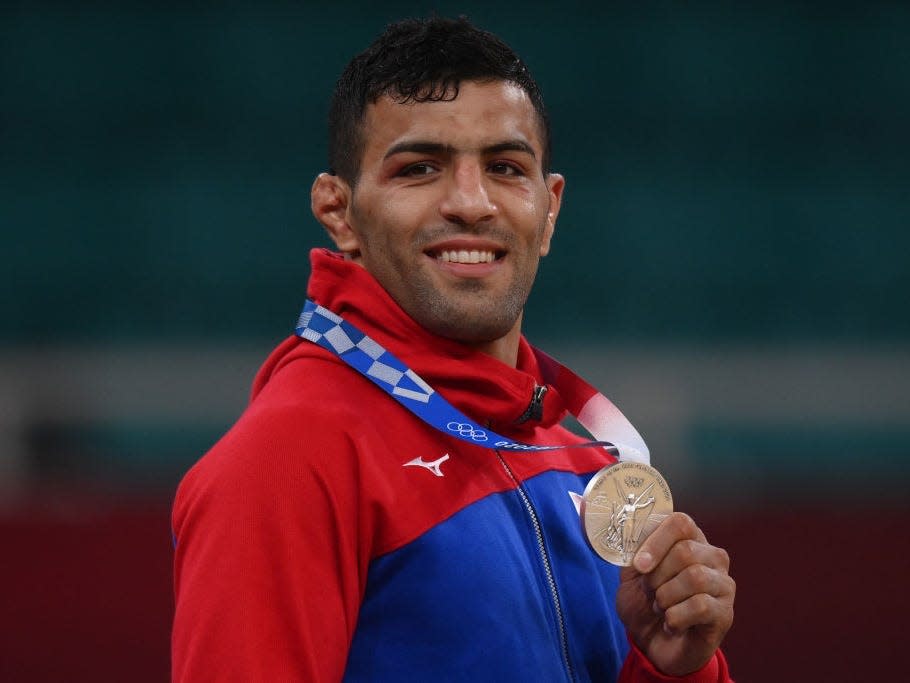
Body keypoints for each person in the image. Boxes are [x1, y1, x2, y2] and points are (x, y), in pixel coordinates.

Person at [171, 16, 735, 682]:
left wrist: (671, 668)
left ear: (549, 209)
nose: (471, 202)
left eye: (504, 167)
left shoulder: (572, 452)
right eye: (420, 168)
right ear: (339, 212)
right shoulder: (294, 456)